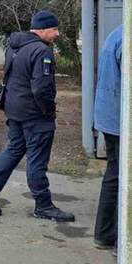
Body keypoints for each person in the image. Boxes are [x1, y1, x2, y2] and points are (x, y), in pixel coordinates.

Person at [0, 10, 75, 222]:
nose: (57, 34)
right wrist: (49, 111)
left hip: (15, 111)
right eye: (54, 29)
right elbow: (41, 89)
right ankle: (43, 205)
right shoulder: (41, 51)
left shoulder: (14, 47)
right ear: (44, 28)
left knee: (12, 151)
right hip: (34, 115)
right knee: (37, 161)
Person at [93, 24, 123, 252]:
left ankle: (105, 234)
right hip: (120, 120)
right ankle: (121, 240)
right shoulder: (127, 38)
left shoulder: (116, 33)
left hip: (109, 117)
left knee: (114, 175)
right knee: (120, 177)